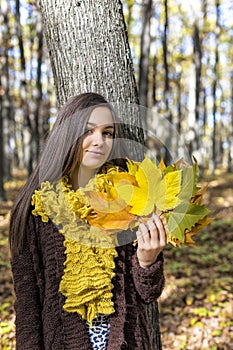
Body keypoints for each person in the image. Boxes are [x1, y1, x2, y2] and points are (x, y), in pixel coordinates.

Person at [9, 92, 166, 350]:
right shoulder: (36, 209)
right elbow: (28, 303)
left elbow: (148, 294)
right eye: (88, 131)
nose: (99, 142)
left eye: (108, 133)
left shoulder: (129, 197)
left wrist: (147, 262)